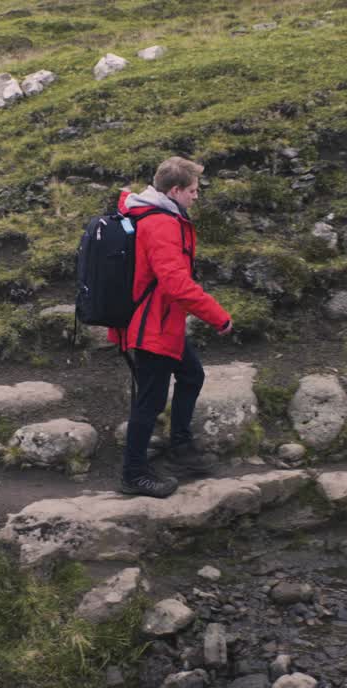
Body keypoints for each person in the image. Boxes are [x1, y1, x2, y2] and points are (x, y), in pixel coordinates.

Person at [111, 156, 233, 499]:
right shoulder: (161, 224)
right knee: (149, 401)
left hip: (162, 322)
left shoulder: (149, 214)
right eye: (193, 191)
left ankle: (180, 448)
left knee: (191, 375)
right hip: (153, 327)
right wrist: (218, 316)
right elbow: (175, 283)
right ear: (175, 190)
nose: (196, 197)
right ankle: (133, 473)